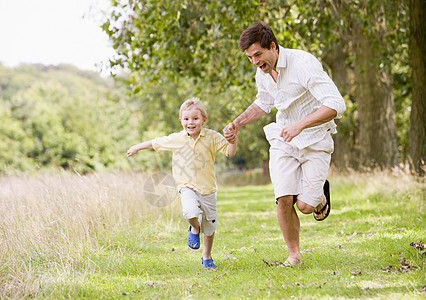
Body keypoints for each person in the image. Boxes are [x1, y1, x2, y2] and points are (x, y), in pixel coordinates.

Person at [223, 21, 346, 268]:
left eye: (258, 54)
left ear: (273, 46)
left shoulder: (303, 63)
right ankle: (294, 257)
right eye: (250, 58)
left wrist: (300, 125)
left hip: (315, 139)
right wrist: (238, 122)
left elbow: (336, 105)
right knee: (283, 197)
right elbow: (263, 102)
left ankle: (319, 196)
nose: (255, 62)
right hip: (284, 138)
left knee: (305, 206)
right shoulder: (263, 73)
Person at [128, 98, 237, 270]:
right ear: (181, 120)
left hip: (208, 189)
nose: (190, 122)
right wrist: (137, 147)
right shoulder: (177, 138)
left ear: (203, 120)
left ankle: (206, 257)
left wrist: (232, 140)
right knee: (190, 211)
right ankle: (194, 228)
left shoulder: (212, 137)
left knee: (209, 228)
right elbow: (156, 142)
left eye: (195, 118)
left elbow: (230, 153)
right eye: (186, 119)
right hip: (186, 186)